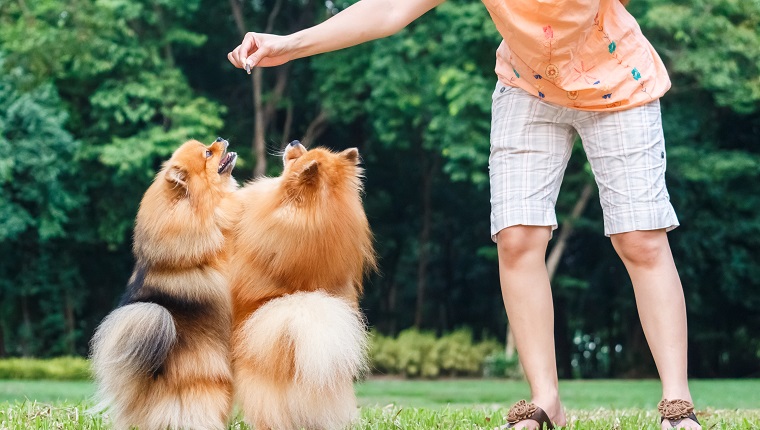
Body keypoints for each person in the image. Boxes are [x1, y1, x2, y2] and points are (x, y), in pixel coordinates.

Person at [227, 0, 701, 428]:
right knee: (516, 238)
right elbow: (389, 10)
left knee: (640, 238)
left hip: (617, 81)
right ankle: (544, 402)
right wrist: (289, 44)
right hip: (527, 87)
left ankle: (678, 407)